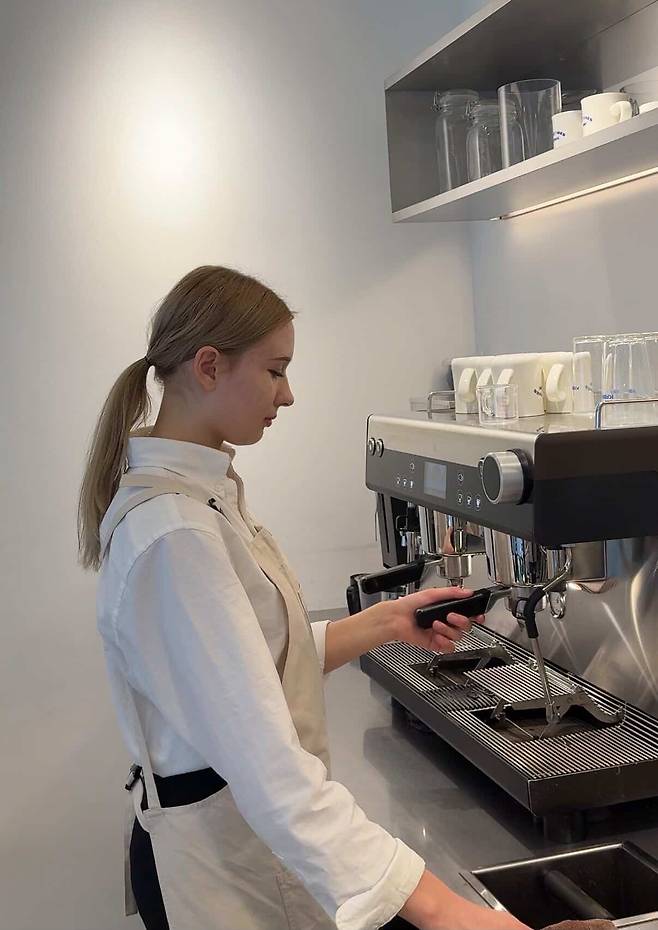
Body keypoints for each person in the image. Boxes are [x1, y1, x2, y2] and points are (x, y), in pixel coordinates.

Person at [77, 265, 534, 930]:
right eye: (274, 370)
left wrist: (383, 621)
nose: (288, 395)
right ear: (208, 366)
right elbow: (266, 761)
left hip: (237, 839)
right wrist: (442, 910)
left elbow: (249, 664)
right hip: (218, 865)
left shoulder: (199, 500)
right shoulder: (175, 536)